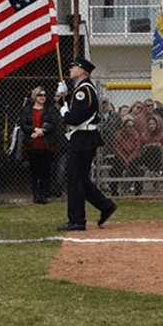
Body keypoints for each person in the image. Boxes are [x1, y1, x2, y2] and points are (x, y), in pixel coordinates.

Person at [56, 56, 117, 232]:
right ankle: (105, 206)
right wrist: (64, 98)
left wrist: (63, 108)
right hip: (83, 137)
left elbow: (74, 118)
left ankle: (77, 220)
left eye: (73, 67)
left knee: (75, 180)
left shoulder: (84, 90)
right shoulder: (80, 90)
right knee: (79, 179)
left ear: (82, 71)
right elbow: (76, 111)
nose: (70, 70)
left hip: (83, 138)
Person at [20, 86, 58, 204]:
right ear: (34, 96)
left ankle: (44, 195)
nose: (43, 97)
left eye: (44, 95)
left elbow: (53, 123)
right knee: (34, 171)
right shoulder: (27, 109)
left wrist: (43, 131)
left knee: (45, 171)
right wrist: (34, 129)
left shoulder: (49, 109)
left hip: (46, 144)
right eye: (40, 95)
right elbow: (23, 125)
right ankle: (36, 195)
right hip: (32, 144)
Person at [111, 117, 143, 195]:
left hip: (132, 157)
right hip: (121, 157)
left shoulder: (135, 134)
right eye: (128, 126)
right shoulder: (118, 134)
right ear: (124, 126)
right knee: (115, 169)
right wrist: (125, 159)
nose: (130, 129)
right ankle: (114, 190)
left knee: (137, 170)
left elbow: (137, 148)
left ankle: (138, 191)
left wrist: (129, 159)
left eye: (132, 127)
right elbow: (117, 149)